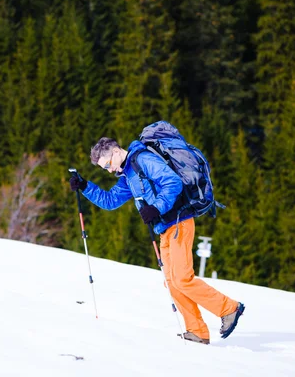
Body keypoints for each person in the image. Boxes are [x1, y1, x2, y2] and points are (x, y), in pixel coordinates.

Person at [69, 137, 245, 344]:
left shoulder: (143, 160)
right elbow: (111, 201)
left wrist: (156, 207)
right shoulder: (128, 174)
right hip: (165, 229)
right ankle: (197, 330)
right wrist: (85, 186)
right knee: (171, 282)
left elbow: (173, 182)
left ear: (116, 152)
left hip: (179, 222)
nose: (108, 170)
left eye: (107, 164)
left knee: (182, 279)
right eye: (104, 168)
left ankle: (229, 308)